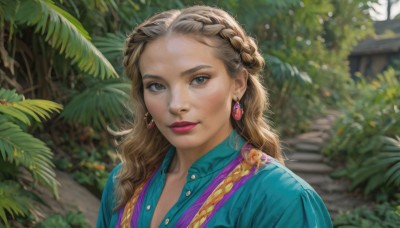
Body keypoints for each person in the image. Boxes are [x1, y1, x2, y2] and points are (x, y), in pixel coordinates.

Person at [97, 5, 332, 228]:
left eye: (199, 79)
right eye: (156, 85)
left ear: (238, 84)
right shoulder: (124, 182)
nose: (176, 105)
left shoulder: (284, 200)